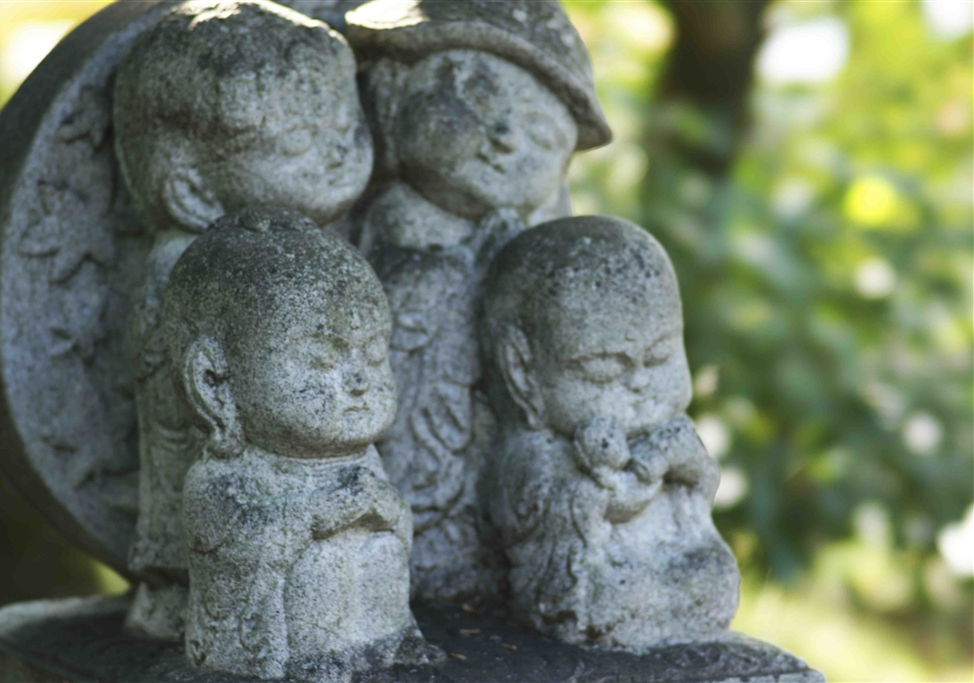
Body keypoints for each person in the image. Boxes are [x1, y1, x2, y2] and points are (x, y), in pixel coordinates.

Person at [112, 0, 374, 638]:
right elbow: (185, 424)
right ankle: (178, 588)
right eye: (297, 141)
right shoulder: (184, 270)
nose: (339, 153)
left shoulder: (330, 245)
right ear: (192, 187)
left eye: (346, 126)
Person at [339, 0, 612, 601]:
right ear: (391, 92)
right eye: (477, 95)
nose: (507, 138)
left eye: (541, 134)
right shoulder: (385, 219)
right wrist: (452, 273)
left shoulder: (528, 248)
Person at [163, 209, 438, 680]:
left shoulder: (367, 459)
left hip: (372, 628)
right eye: (320, 360)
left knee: (378, 552)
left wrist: (387, 509)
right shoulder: (219, 480)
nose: (358, 380)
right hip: (280, 642)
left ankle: (387, 640)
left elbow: (399, 526)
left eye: (374, 354)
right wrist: (318, 515)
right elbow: (245, 550)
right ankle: (306, 657)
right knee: (319, 564)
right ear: (214, 383)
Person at [480, 215, 740, 649]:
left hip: (668, 557)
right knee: (620, 594)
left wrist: (692, 467)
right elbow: (542, 509)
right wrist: (615, 484)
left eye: (660, 356)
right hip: (596, 577)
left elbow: (700, 491)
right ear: (522, 372)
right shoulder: (535, 453)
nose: (639, 382)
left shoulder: (671, 429)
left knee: (715, 574)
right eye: (603, 367)